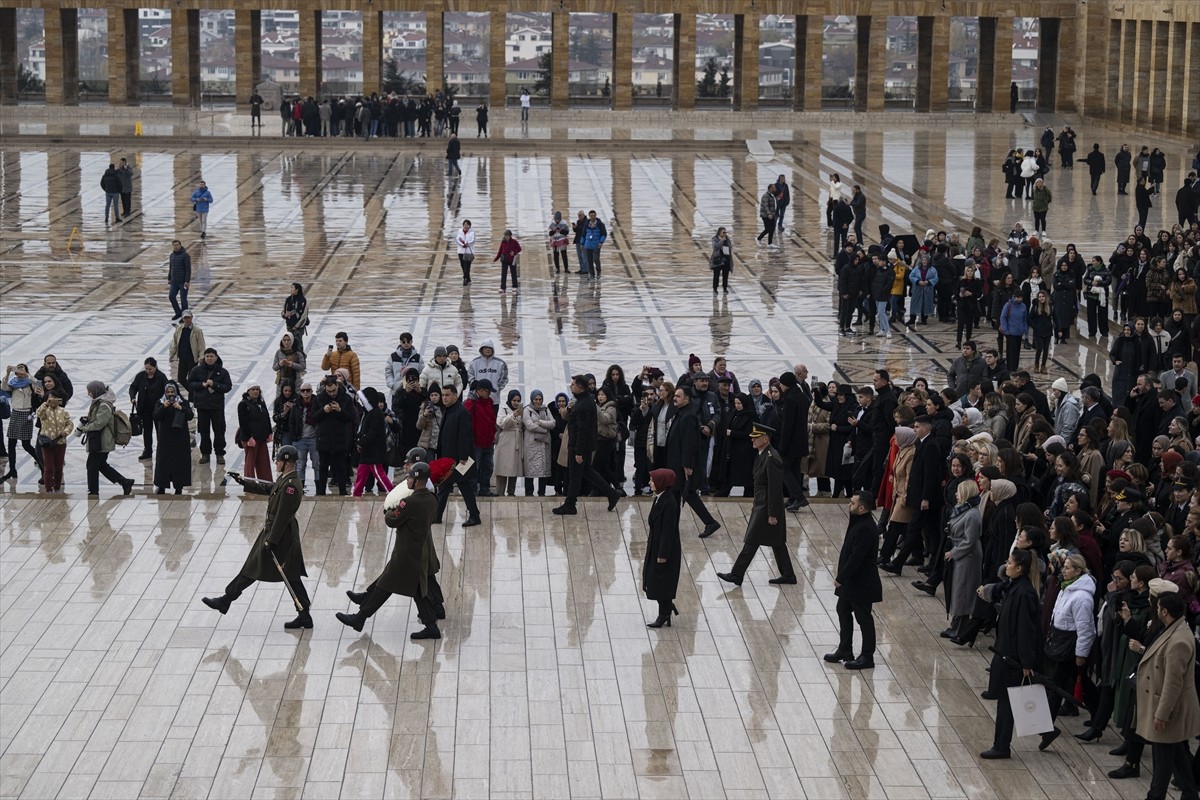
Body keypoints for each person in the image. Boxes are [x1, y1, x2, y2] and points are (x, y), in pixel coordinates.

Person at [202, 445, 312, 630]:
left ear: (286, 462)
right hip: (275, 533)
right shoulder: (286, 479)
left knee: (284, 574)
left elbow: (282, 516)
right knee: (259, 569)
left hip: (280, 536)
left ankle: (304, 614)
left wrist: (272, 540)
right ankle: (226, 600)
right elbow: (270, 488)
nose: (275, 463)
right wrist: (245, 482)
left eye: (278, 460)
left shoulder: (291, 486)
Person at [338, 461, 443, 639]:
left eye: (409, 477)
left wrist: (389, 511)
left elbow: (391, 521)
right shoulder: (432, 500)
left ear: (417, 481)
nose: (407, 480)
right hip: (417, 553)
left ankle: (360, 617)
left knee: (385, 586)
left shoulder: (408, 503)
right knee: (418, 592)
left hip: (406, 554)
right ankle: (431, 626)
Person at [1136, 591, 1200, 800]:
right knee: (1176, 753)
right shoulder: (1174, 629)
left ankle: (1155, 797)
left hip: (1169, 709)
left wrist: (1161, 715)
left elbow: (1173, 683)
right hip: (1167, 705)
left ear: (1164, 611)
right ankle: (1190, 793)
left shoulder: (1179, 640)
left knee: (1162, 760)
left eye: (1157, 608)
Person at [979, 548, 1043, 759]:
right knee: (1008, 699)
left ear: (1020, 568)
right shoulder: (1015, 587)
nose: (1006, 565)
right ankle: (1047, 731)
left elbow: (1026, 630)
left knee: (1007, 702)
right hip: (1006, 651)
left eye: (1009, 562)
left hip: (1013, 657)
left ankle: (1001, 746)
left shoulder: (1024, 593)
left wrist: (1026, 662)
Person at [717, 422, 796, 587]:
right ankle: (788, 574)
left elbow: (775, 488)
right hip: (762, 503)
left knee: (752, 539)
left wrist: (772, 513)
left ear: (765, 439)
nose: (752, 440)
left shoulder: (772, 458)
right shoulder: (763, 454)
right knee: (777, 541)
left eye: (755, 438)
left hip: (767, 505)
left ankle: (736, 574)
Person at [825, 490, 883, 670]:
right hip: (852, 581)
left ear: (862, 508)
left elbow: (857, 557)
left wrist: (841, 577)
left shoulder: (866, 528)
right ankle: (845, 649)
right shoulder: (858, 522)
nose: (849, 505)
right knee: (842, 609)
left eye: (853, 503)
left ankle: (867, 656)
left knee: (863, 618)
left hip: (862, 582)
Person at [553, 375, 623, 516]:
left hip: (579, 447)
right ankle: (611, 493)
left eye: (573, 384)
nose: (571, 386)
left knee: (575, 476)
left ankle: (570, 505)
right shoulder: (584, 401)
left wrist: (578, 452)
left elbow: (583, 430)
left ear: (579, 387)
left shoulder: (583, 405)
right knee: (587, 472)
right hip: (581, 446)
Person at [434, 384, 482, 527]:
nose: (444, 398)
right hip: (448, 460)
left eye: (447, 395)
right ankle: (437, 515)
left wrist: (463, 458)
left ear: (455, 395)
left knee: (463, 486)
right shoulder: (449, 411)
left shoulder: (462, 412)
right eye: (443, 395)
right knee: (444, 487)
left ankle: (474, 516)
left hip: (459, 460)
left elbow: (465, 437)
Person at [77, 380, 135, 497]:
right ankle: (124, 482)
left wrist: (85, 428)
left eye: (90, 392)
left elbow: (99, 423)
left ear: (96, 391)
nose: (89, 394)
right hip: (100, 440)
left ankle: (94, 491)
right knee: (101, 464)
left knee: (92, 465)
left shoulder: (104, 404)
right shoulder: (100, 402)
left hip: (102, 441)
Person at [643, 468, 682, 629]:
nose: (649, 483)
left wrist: (662, 554)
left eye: (652, 480)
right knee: (656, 579)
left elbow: (668, 531)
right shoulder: (660, 498)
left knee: (661, 581)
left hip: (665, 550)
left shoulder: (669, 503)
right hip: (656, 545)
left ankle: (664, 613)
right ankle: (666, 608)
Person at [187, 348, 232, 466]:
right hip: (202, 406)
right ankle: (205, 453)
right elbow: (190, 383)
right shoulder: (197, 370)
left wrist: (215, 385)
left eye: (211, 356)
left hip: (217, 406)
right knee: (204, 431)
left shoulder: (222, 372)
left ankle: (219, 453)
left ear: (216, 357)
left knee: (219, 430)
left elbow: (227, 386)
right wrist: (201, 385)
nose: (209, 358)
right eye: (207, 356)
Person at [152, 380, 193, 494]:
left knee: (179, 462)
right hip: (165, 438)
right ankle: (161, 485)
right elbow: (155, 416)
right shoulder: (160, 402)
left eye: (172, 392)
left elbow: (190, 415)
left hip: (180, 438)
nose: (170, 394)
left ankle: (178, 486)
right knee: (163, 462)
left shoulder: (182, 402)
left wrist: (180, 408)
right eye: (168, 392)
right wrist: (163, 407)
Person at [129, 356, 167, 461]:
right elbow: (133, 387)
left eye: (150, 369)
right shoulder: (140, 376)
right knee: (147, 430)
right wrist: (132, 397)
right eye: (146, 369)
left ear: (155, 367)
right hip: (144, 409)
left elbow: (167, 389)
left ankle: (162, 450)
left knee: (160, 430)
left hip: (157, 409)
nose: (148, 371)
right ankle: (147, 450)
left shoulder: (161, 377)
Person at [34, 387, 71, 493]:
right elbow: (38, 413)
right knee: (49, 467)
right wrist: (46, 404)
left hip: (60, 442)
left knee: (59, 467)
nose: (52, 400)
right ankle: (48, 488)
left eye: (54, 398)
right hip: (47, 443)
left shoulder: (63, 411)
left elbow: (69, 423)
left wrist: (66, 432)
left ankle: (57, 487)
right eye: (50, 398)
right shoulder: (45, 411)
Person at [236, 383, 273, 482]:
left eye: (257, 389)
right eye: (253, 389)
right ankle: (249, 483)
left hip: (262, 437)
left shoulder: (261, 402)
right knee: (250, 463)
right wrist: (249, 437)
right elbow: (243, 422)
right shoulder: (243, 404)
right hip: (251, 439)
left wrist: (269, 432)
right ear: (248, 391)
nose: (256, 391)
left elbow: (266, 418)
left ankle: (266, 483)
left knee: (264, 463)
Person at [169, 310, 204, 398]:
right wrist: (172, 354)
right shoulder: (179, 329)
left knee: (191, 378)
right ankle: (194, 393)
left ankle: (192, 396)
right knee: (181, 378)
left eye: (188, 317)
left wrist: (201, 357)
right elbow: (175, 343)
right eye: (185, 317)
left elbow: (201, 345)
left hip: (192, 359)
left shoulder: (197, 330)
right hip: (182, 358)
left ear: (191, 318)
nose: (187, 319)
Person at [281, 282, 309, 352]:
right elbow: (284, 311)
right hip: (289, 326)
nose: (291, 289)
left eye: (292, 287)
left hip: (298, 328)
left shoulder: (303, 300)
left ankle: (301, 359)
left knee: (298, 344)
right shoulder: (288, 299)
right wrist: (284, 315)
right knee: (290, 344)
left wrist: (297, 326)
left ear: (297, 290)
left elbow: (304, 315)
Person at [493, 229, 522, 294]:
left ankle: (515, 286)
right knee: (503, 274)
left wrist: (514, 252)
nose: (507, 237)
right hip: (504, 260)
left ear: (510, 236)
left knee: (513, 273)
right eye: (506, 236)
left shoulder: (514, 242)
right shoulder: (503, 242)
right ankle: (503, 287)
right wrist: (496, 258)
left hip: (512, 260)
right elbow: (500, 251)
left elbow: (519, 249)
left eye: (508, 236)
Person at [582, 210, 608, 277]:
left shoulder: (600, 224)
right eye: (591, 216)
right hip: (587, 245)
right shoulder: (586, 224)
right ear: (589, 216)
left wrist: (601, 242)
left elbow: (604, 234)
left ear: (596, 215)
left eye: (594, 216)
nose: (593, 217)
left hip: (596, 245)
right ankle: (592, 274)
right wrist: (582, 243)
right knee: (589, 261)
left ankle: (598, 270)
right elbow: (583, 234)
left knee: (596, 259)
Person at [710, 227, 732, 294]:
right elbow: (715, 247)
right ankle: (715, 288)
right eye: (723, 232)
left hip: (726, 259)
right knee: (716, 275)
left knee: (725, 276)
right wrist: (721, 241)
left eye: (725, 232)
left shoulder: (727, 239)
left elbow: (730, 247)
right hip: (718, 259)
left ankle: (725, 288)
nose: (725, 234)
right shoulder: (715, 239)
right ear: (719, 232)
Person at [456, 219, 475, 285]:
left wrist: (467, 243)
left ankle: (465, 278)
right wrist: (462, 245)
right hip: (461, 251)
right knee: (463, 265)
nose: (466, 226)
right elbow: (457, 240)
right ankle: (468, 278)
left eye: (467, 225)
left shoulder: (472, 232)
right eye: (465, 225)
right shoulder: (459, 231)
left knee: (467, 266)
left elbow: (473, 241)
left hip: (468, 252)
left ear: (469, 226)